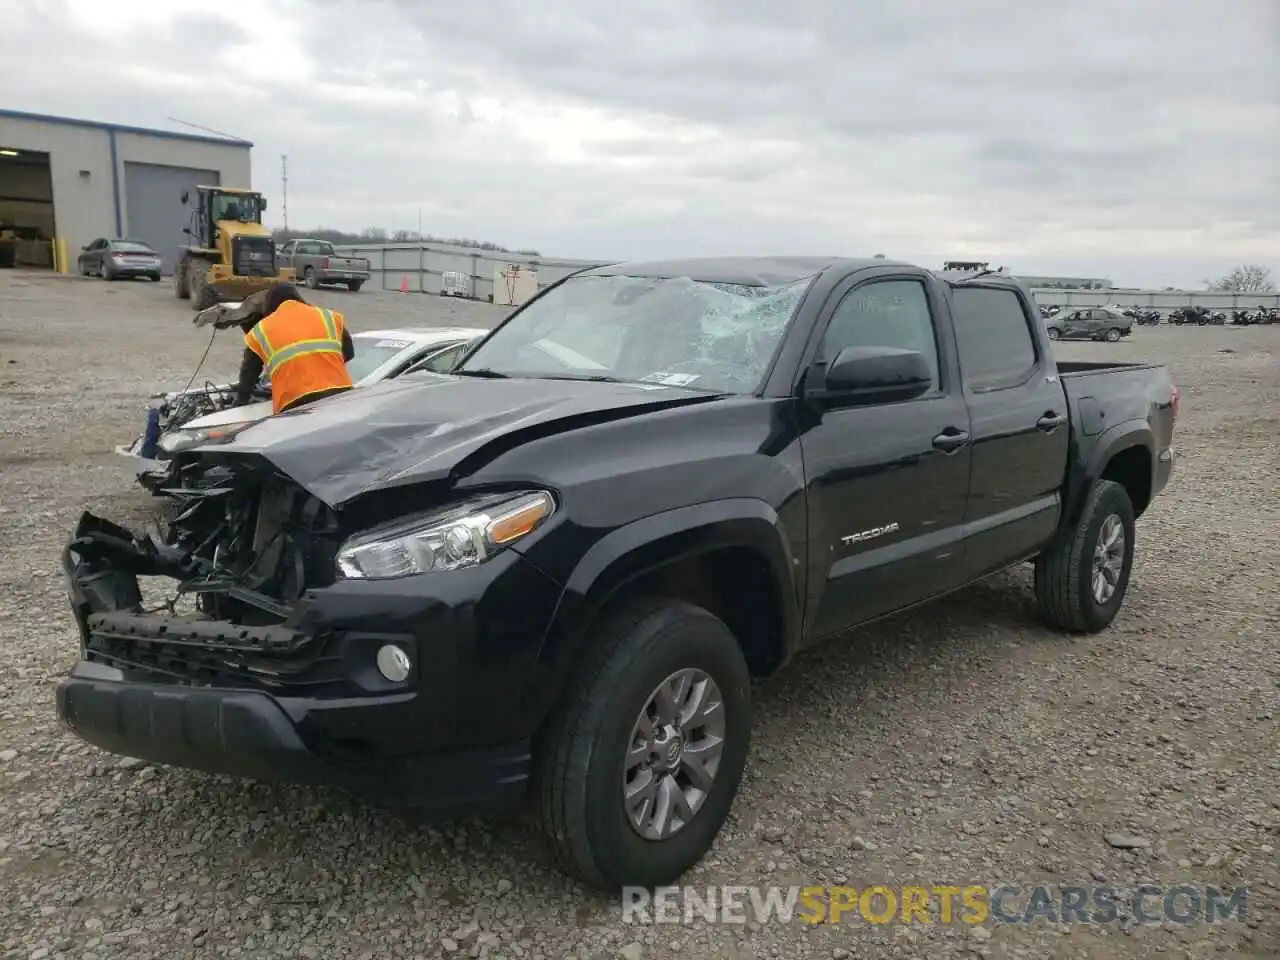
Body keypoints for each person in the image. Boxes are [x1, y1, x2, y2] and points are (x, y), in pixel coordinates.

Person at [233, 283, 356, 413]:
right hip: (340, 395)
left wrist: (240, 402)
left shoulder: (261, 330)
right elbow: (349, 353)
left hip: (295, 403)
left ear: (269, 304)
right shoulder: (328, 316)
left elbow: (249, 372)